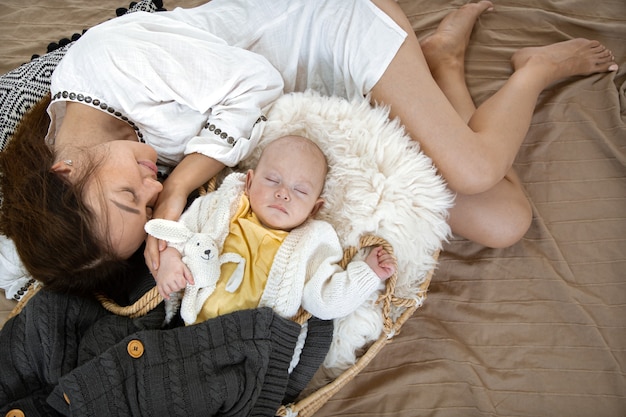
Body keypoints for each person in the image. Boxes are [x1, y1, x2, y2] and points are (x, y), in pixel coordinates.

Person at [0, 0, 618, 299]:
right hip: (311, 111)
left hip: (327, 34)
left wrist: (183, 186)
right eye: (148, 205)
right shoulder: (83, 164)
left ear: (65, 170)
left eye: (132, 195)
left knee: (477, 168)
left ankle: (532, 70)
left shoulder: (112, 64)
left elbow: (255, 84)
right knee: (504, 220)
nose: (153, 187)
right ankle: (441, 65)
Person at [149, 135, 395, 324]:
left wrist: (367, 274)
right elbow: (182, 232)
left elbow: (324, 300)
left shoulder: (310, 244)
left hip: (251, 344)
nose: (283, 193)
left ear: (314, 209)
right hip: (191, 324)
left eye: (300, 191)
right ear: (249, 181)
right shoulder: (221, 205)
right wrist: (170, 259)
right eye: (273, 180)